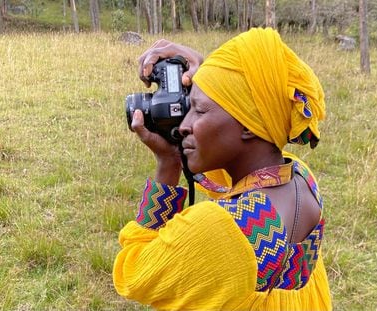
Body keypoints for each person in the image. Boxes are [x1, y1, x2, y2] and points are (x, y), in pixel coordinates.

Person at [113, 27, 332, 311]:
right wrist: (206, 76)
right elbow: (228, 176)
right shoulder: (300, 177)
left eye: (200, 110)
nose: (183, 126)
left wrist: (167, 168)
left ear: (248, 125)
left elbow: (134, 274)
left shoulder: (217, 230)